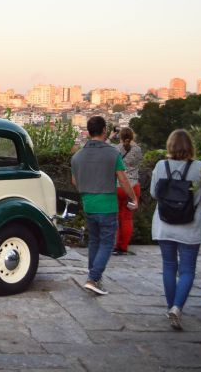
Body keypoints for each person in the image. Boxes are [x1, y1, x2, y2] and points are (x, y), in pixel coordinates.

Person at [150, 129, 201, 330]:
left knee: (169, 266)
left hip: (165, 224)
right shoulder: (200, 167)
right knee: (187, 270)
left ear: (170, 145)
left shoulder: (161, 166)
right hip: (190, 226)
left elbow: (153, 193)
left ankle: (171, 307)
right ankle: (177, 307)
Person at [71, 116, 138, 295]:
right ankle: (93, 278)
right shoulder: (112, 153)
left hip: (88, 204)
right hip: (107, 204)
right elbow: (123, 179)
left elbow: (75, 181)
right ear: (103, 131)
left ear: (88, 131)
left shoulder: (77, 156)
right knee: (107, 242)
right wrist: (133, 198)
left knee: (94, 241)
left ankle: (95, 277)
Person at [113, 127, 143, 255]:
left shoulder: (115, 149)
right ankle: (123, 246)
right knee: (127, 218)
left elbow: (106, 145)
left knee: (116, 217)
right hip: (133, 186)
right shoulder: (138, 150)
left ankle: (115, 244)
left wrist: (111, 136)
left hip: (118, 186)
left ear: (120, 137)